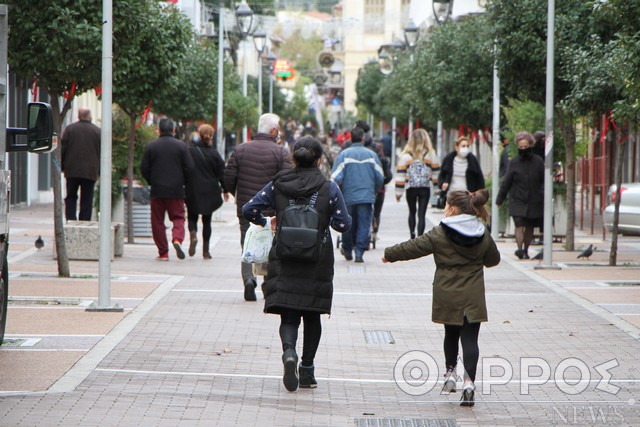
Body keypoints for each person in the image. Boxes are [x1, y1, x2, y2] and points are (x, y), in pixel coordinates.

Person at [242, 136, 352, 392]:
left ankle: (289, 352)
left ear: (293, 158)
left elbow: (249, 208)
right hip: (318, 260)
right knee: (313, 315)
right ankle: (306, 370)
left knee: (289, 314)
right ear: (319, 159)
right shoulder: (329, 188)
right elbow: (343, 224)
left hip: (285, 257)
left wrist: (265, 221)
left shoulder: (278, 185)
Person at [382, 189, 500, 407]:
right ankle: (468, 383)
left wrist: (389, 254)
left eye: (447, 205)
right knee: (470, 338)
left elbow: (413, 247)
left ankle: (450, 374)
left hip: (447, 293)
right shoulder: (482, 232)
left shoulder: (440, 233)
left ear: (453, 208)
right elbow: (494, 260)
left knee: (451, 333)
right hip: (473, 294)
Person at [224, 113, 292, 301]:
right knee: (270, 245)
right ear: (273, 131)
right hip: (271, 210)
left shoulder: (240, 150)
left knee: (247, 243)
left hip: (246, 208)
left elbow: (228, 177)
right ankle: (266, 283)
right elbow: (287, 181)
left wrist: (238, 195)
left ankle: (248, 279)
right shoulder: (280, 153)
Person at [141, 118, 194, 261]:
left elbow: (144, 168)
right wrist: (183, 182)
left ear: (159, 129)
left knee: (157, 221)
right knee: (178, 217)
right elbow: (190, 168)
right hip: (176, 190)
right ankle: (177, 239)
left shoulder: (151, 146)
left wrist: (152, 181)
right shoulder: (181, 147)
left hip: (157, 190)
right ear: (173, 130)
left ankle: (163, 252)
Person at [331, 126, 384, 263]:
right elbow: (380, 177)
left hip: (347, 197)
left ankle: (347, 250)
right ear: (362, 138)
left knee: (347, 223)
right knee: (364, 224)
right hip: (366, 197)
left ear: (350, 138)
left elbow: (335, 177)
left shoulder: (344, 155)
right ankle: (359, 252)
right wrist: (374, 191)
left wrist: (337, 193)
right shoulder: (372, 155)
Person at [496, 131, 544, 260]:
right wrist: (499, 199)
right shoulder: (514, 162)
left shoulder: (538, 162)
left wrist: (542, 195)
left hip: (534, 199)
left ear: (530, 145)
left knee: (529, 226)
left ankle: (526, 250)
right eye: (520, 147)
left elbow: (543, 181)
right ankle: (519, 249)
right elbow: (506, 181)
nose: (523, 149)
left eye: (525, 146)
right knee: (519, 224)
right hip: (517, 199)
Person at [185, 124, 229, 259]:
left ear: (198, 134)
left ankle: (193, 234)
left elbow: (185, 169)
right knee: (207, 221)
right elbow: (222, 173)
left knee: (192, 216)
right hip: (210, 190)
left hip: (192, 188)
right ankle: (206, 251)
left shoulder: (190, 151)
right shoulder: (214, 154)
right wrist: (225, 190)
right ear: (212, 135)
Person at [395, 129, 441, 238]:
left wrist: (398, 193)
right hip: (425, 188)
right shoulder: (430, 154)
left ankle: (412, 235)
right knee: (422, 214)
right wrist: (436, 190)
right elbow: (435, 174)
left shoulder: (406, 156)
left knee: (412, 212)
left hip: (411, 187)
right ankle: (420, 237)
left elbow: (400, 175)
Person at [61, 108, 101, 221]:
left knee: (71, 196)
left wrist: (63, 166)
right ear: (89, 116)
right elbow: (102, 152)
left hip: (72, 170)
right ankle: (84, 222)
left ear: (79, 116)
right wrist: (100, 171)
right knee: (87, 199)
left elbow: (63, 149)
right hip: (90, 171)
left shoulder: (70, 129)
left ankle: (71, 219)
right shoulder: (97, 131)